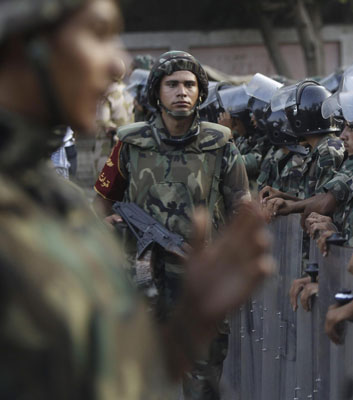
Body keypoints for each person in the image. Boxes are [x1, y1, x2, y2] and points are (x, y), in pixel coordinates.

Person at [0, 1, 271, 399]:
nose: (118, 64)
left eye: (189, 84)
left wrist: (187, 327)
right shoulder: (125, 147)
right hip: (148, 273)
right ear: (24, 44)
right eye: (97, 32)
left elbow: (105, 376)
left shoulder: (51, 198)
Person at [94, 50, 251, 399]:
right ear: (156, 92)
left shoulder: (220, 143)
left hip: (197, 281)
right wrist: (106, 224)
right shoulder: (130, 142)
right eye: (173, 84)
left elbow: (241, 206)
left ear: (199, 92)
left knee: (202, 384)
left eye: (190, 84)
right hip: (139, 279)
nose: (182, 91)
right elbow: (103, 197)